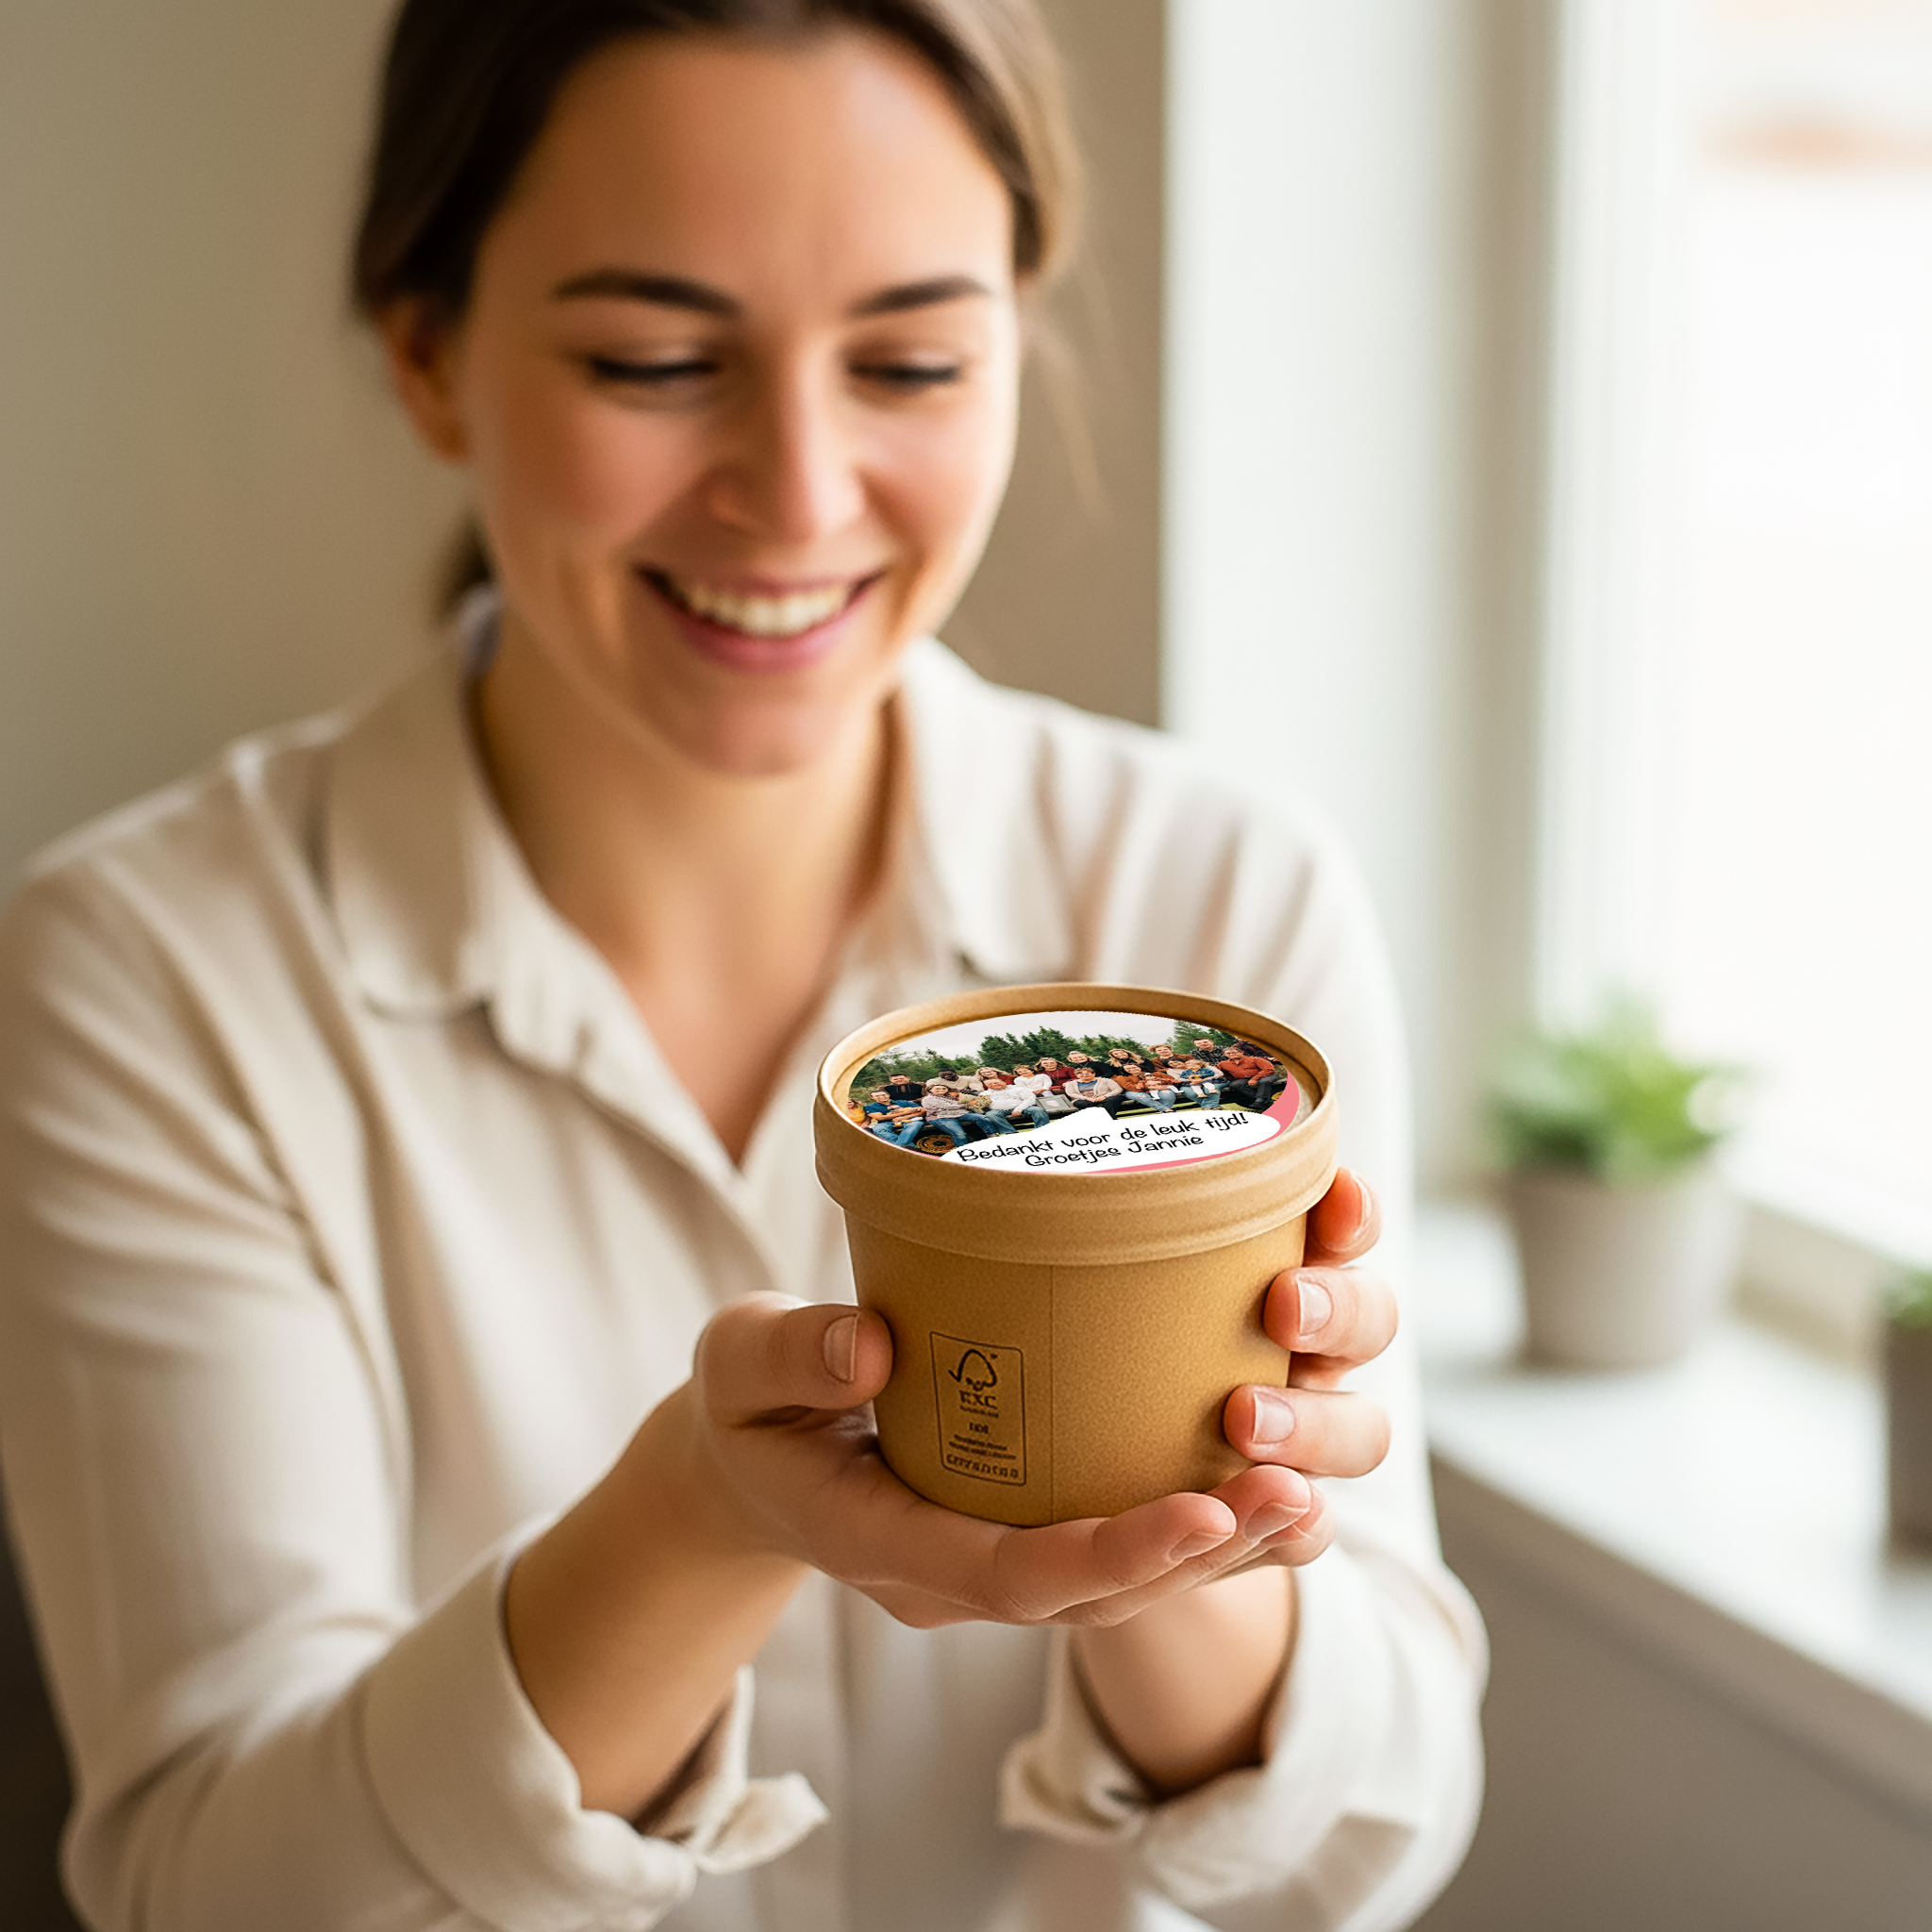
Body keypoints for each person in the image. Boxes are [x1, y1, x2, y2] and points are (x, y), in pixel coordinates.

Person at [0, 4, 1484, 1929]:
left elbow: (1366, 1851)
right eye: (655, 361)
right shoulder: (149, 978)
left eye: (912, 361)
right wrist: (697, 1517)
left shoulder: (1216, 907)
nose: (795, 493)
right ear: (429, 354)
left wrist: (1195, 1526)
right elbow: (210, 1885)